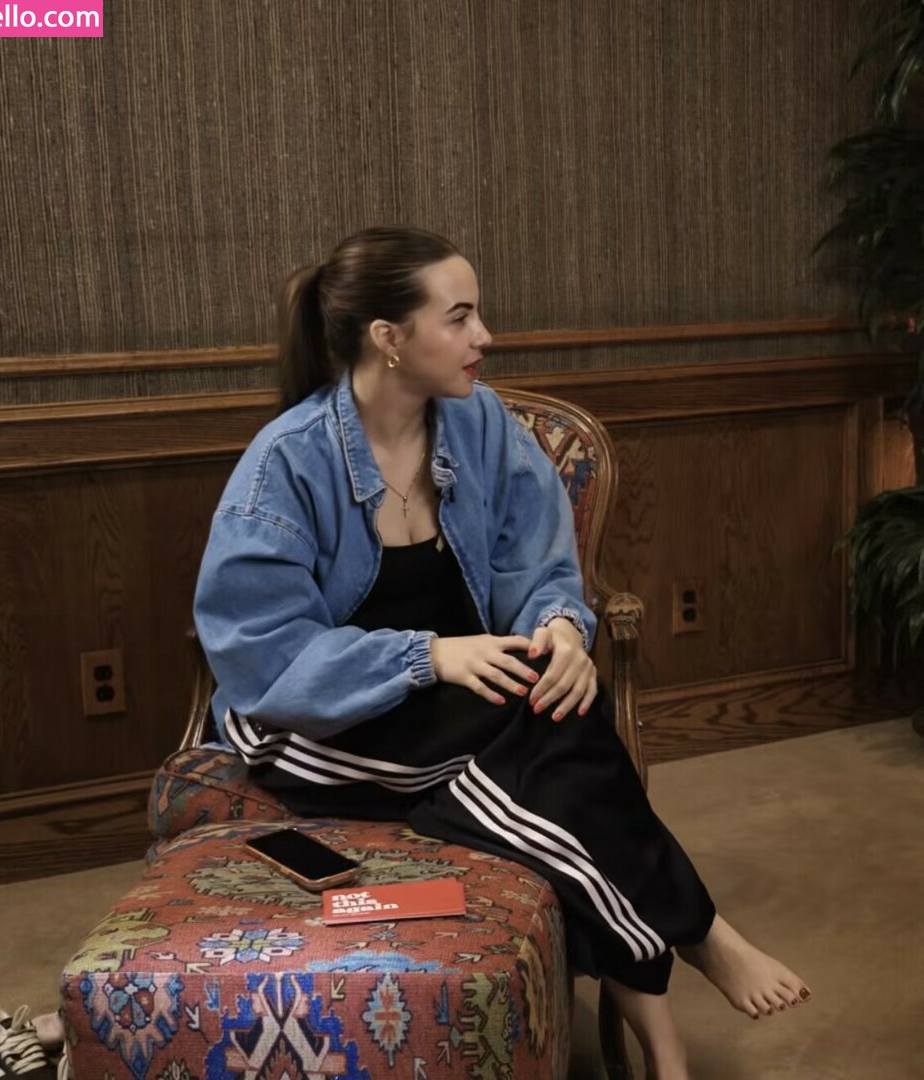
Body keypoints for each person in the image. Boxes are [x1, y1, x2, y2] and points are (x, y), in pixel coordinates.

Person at [189, 226, 810, 1080]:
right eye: (460, 317)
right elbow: (261, 658)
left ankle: (663, 1027)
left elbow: (540, 564)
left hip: (453, 703)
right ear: (389, 337)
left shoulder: (479, 424)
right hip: (307, 722)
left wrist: (560, 630)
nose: (484, 336)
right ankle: (693, 942)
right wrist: (427, 658)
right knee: (533, 755)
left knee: (560, 704)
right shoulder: (285, 465)